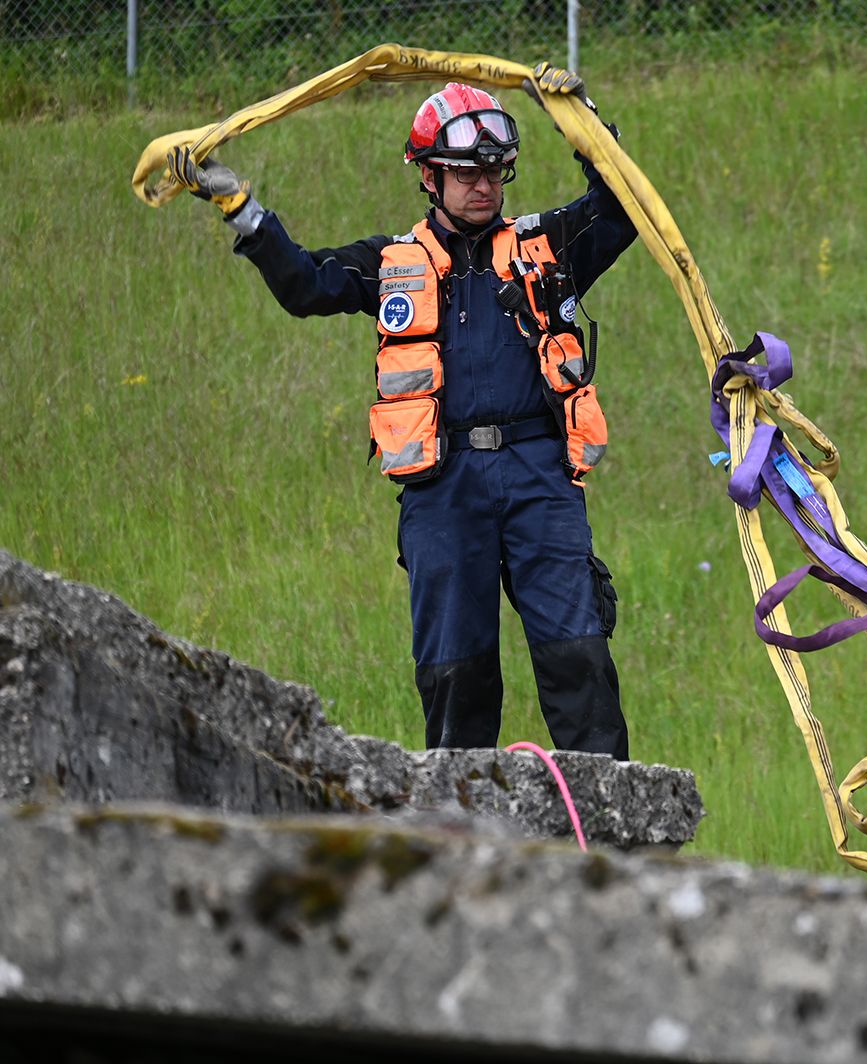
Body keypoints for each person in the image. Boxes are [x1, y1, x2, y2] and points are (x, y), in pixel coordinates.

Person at [167, 65, 634, 758]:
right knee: (456, 675)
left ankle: (616, 854)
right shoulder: (389, 262)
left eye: (496, 172)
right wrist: (241, 208)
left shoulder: (549, 247)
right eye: (466, 173)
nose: (484, 186)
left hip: (541, 480)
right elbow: (304, 285)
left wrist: (582, 121)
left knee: (580, 663)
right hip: (441, 493)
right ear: (429, 176)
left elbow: (624, 206)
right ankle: (457, 841)